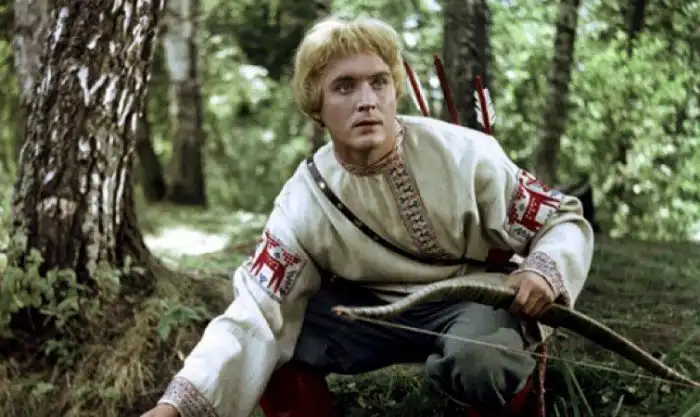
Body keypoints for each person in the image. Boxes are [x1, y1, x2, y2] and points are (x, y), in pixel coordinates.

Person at [140, 15, 594, 417]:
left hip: (472, 301)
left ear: (394, 91)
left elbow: (561, 218)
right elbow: (256, 309)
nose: (367, 101)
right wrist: (177, 407)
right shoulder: (303, 198)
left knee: (481, 361)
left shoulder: (463, 153)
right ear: (317, 106)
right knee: (270, 341)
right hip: (369, 314)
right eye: (344, 86)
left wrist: (543, 270)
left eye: (379, 82)